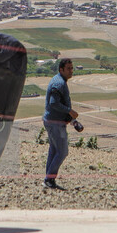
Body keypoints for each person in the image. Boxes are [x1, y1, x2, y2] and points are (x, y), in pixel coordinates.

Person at [42, 58, 79, 189]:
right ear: (61, 69)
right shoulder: (59, 84)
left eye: (72, 68)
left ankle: (48, 180)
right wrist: (69, 110)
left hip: (52, 121)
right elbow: (53, 103)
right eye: (68, 68)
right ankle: (49, 179)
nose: (71, 71)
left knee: (54, 150)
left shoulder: (60, 81)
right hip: (55, 123)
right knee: (62, 151)